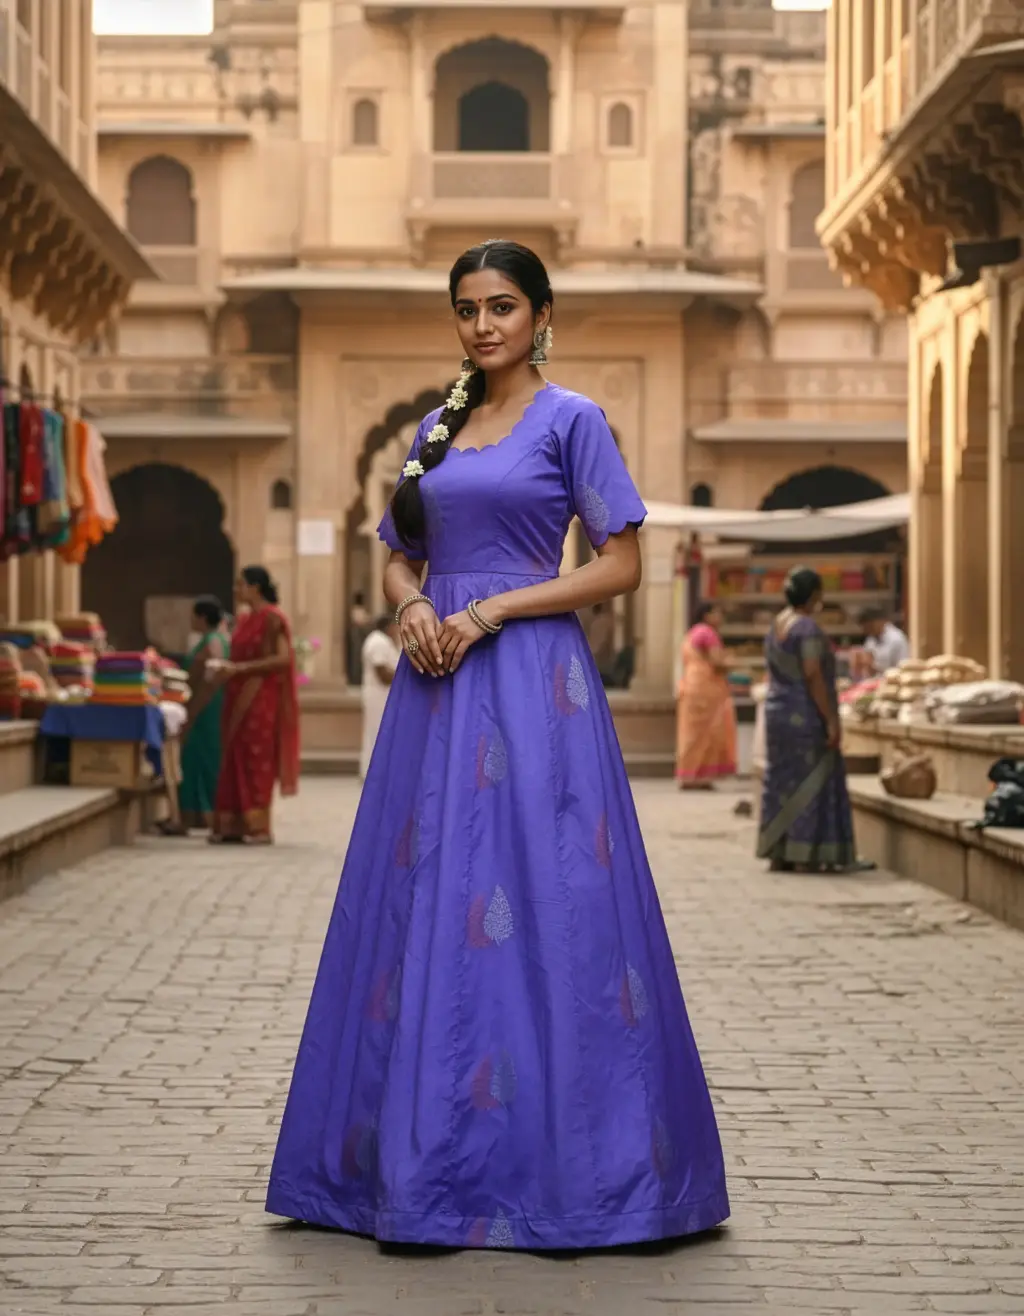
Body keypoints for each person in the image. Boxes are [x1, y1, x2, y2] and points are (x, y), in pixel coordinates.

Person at [267, 239, 729, 1250]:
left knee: (551, 898)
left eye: (503, 306)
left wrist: (493, 611)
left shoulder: (573, 421)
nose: (483, 325)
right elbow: (394, 554)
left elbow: (619, 567)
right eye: (468, 308)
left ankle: (582, 1171)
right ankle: (407, 1168)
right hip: (434, 693)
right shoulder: (437, 429)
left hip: (534, 688)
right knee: (426, 895)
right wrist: (420, 604)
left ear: (541, 316)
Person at [757, 566, 857, 872]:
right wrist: (830, 720)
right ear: (813, 595)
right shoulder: (807, 629)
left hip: (777, 714)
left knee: (781, 782)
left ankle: (780, 849)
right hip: (805, 715)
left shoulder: (777, 625)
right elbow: (813, 674)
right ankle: (808, 853)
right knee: (814, 780)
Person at [206, 566, 299, 845]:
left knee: (255, 758)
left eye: (240, 585)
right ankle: (232, 825)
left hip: (260, 698)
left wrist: (240, 669)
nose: (236, 590)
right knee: (234, 755)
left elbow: (283, 659)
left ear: (255, 588)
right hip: (236, 695)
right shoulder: (244, 620)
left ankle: (258, 827)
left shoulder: (273, 618)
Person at [158, 595, 229, 835]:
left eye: (194, 616)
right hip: (203, 707)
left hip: (205, 710)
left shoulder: (213, 642)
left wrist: (193, 713)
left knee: (197, 762)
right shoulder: (213, 639)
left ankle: (192, 818)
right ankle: (198, 815)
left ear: (202, 617)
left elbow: (210, 680)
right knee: (197, 762)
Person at [676, 602, 737, 790]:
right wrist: (733, 662)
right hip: (705, 688)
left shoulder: (692, 632)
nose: (720, 617)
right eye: (717, 613)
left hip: (690, 685)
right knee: (708, 733)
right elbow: (718, 661)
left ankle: (690, 776)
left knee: (692, 734)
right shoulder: (707, 633)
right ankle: (699, 777)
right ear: (707, 615)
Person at [359, 613, 401, 779]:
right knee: (376, 733)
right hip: (378, 696)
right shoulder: (377, 641)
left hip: (385, 696)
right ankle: (372, 773)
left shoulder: (387, 642)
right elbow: (382, 673)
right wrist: (405, 677)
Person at [860, 607, 910, 675]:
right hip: (873, 681)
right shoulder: (871, 639)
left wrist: (876, 668)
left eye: (869, 627)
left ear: (880, 622)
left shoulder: (896, 639)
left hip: (893, 681)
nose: (867, 631)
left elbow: (903, 668)